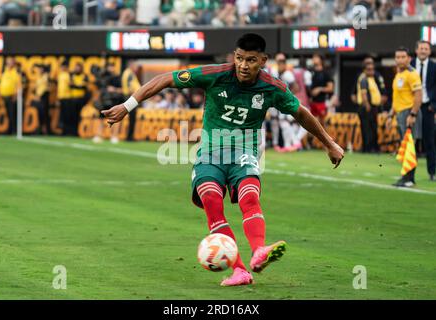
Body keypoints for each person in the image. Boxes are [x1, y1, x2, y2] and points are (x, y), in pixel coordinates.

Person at [102, 33, 344, 286]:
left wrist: (329, 144)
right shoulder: (214, 74)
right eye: (239, 58)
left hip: (244, 152)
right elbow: (165, 79)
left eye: (251, 60)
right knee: (211, 201)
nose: (243, 65)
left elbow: (301, 114)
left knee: (249, 196)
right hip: (210, 153)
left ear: (263, 60)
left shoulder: (273, 88)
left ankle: (259, 251)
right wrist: (127, 106)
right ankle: (240, 270)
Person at [387, 47, 422, 188]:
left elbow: (418, 96)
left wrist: (413, 114)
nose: (400, 59)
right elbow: (396, 99)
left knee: (409, 147)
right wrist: (391, 115)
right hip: (400, 113)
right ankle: (406, 176)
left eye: (403, 57)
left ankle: (409, 178)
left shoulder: (412, 74)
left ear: (409, 58)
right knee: (404, 146)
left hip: (409, 112)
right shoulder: (397, 75)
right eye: (398, 57)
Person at [411, 40, 436, 181]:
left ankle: (432, 172)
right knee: (411, 140)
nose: (423, 51)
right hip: (413, 106)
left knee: (429, 141)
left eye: (426, 49)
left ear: (429, 51)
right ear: (416, 50)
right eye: (421, 48)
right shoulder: (410, 66)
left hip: (428, 107)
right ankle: (409, 172)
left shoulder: (434, 67)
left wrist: (434, 105)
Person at [356, 60, 384, 153]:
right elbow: (364, 94)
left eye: (372, 69)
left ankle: (372, 147)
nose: (371, 71)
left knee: (373, 128)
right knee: (367, 128)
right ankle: (367, 148)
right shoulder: (364, 79)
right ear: (365, 70)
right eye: (369, 69)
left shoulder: (372, 79)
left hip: (373, 107)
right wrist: (367, 105)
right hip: (367, 107)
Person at [0, 57, 21, 134]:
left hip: (12, 97)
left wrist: (15, 95)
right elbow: (2, 83)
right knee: (8, 114)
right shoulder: (5, 72)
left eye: (10, 62)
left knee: (12, 114)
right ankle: (10, 129)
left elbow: (18, 85)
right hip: (5, 96)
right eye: (7, 62)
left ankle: (13, 130)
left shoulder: (15, 73)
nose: (8, 64)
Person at [309, 54, 334, 126]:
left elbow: (330, 88)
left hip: (322, 102)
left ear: (321, 60)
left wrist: (319, 89)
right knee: (312, 125)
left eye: (316, 57)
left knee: (322, 125)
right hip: (312, 103)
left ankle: (326, 137)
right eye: (313, 57)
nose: (313, 59)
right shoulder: (311, 72)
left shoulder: (326, 73)